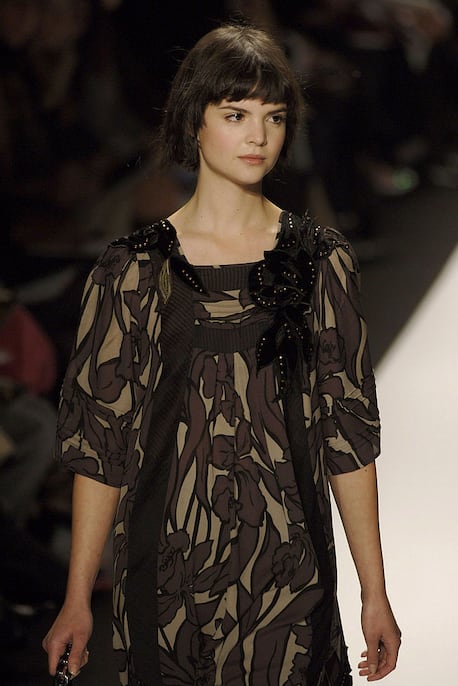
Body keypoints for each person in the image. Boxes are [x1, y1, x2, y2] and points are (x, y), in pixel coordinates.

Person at [42, 22, 401, 686]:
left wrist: (374, 592)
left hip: (293, 573)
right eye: (236, 114)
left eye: (274, 116)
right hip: (163, 574)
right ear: (194, 121)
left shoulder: (320, 262)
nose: (258, 136)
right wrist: (76, 598)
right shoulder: (131, 271)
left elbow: (347, 435)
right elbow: (102, 444)